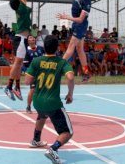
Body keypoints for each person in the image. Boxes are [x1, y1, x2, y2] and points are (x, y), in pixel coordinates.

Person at [24, 35, 74, 164]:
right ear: (57, 48)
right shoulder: (61, 62)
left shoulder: (36, 61)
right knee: (67, 132)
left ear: (44, 47)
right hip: (53, 103)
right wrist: (70, 94)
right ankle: (53, 149)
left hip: (37, 101)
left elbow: (27, 81)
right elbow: (70, 77)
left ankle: (36, 140)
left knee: (42, 116)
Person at [57, 0, 92, 82]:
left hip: (80, 24)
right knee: (79, 49)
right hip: (77, 24)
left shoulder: (86, 2)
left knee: (71, 47)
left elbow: (81, 19)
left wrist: (66, 17)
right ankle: (87, 73)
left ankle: (57, 68)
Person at [4, 0, 32, 101]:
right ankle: (9, 86)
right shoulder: (21, 7)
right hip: (20, 38)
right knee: (17, 63)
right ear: (18, 1)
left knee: (19, 64)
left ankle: (17, 87)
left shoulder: (19, 8)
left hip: (22, 38)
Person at [23, 35, 45, 113]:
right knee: (32, 90)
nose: (32, 39)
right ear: (28, 41)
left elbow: (46, 58)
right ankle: (28, 106)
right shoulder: (26, 51)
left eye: (33, 37)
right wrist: (28, 73)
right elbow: (25, 65)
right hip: (33, 73)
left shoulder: (41, 49)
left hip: (42, 73)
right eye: (30, 38)